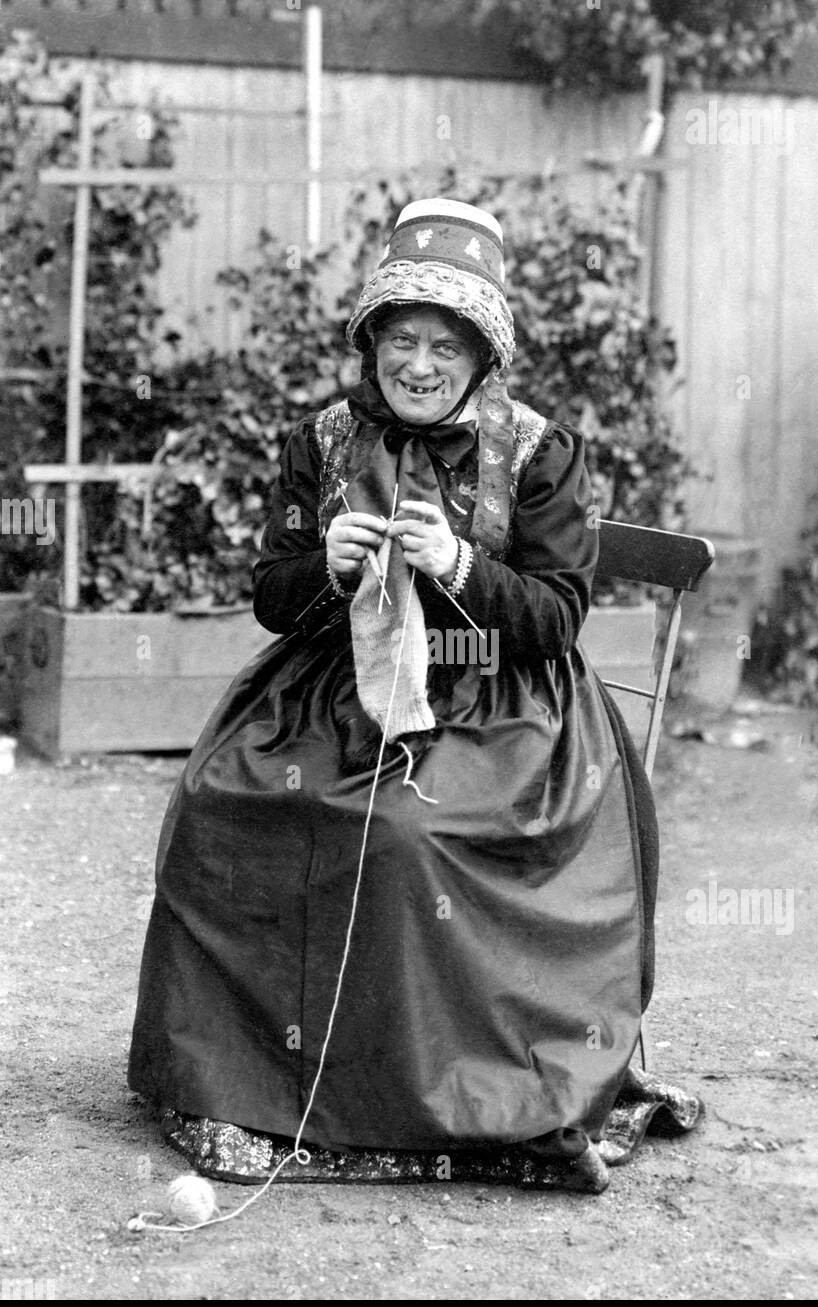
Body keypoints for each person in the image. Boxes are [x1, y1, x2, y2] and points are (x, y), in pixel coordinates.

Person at [128, 198, 700, 1194]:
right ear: (372, 342)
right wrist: (326, 568)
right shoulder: (322, 439)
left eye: (445, 342)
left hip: (503, 711)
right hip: (334, 692)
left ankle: (422, 1095)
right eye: (401, 337)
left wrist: (460, 564)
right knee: (227, 804)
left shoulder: (537, 451)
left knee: (400, 835)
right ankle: (261, 1076)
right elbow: (273, 594)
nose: (420, 363)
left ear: (484, 352)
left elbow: (555, 617)